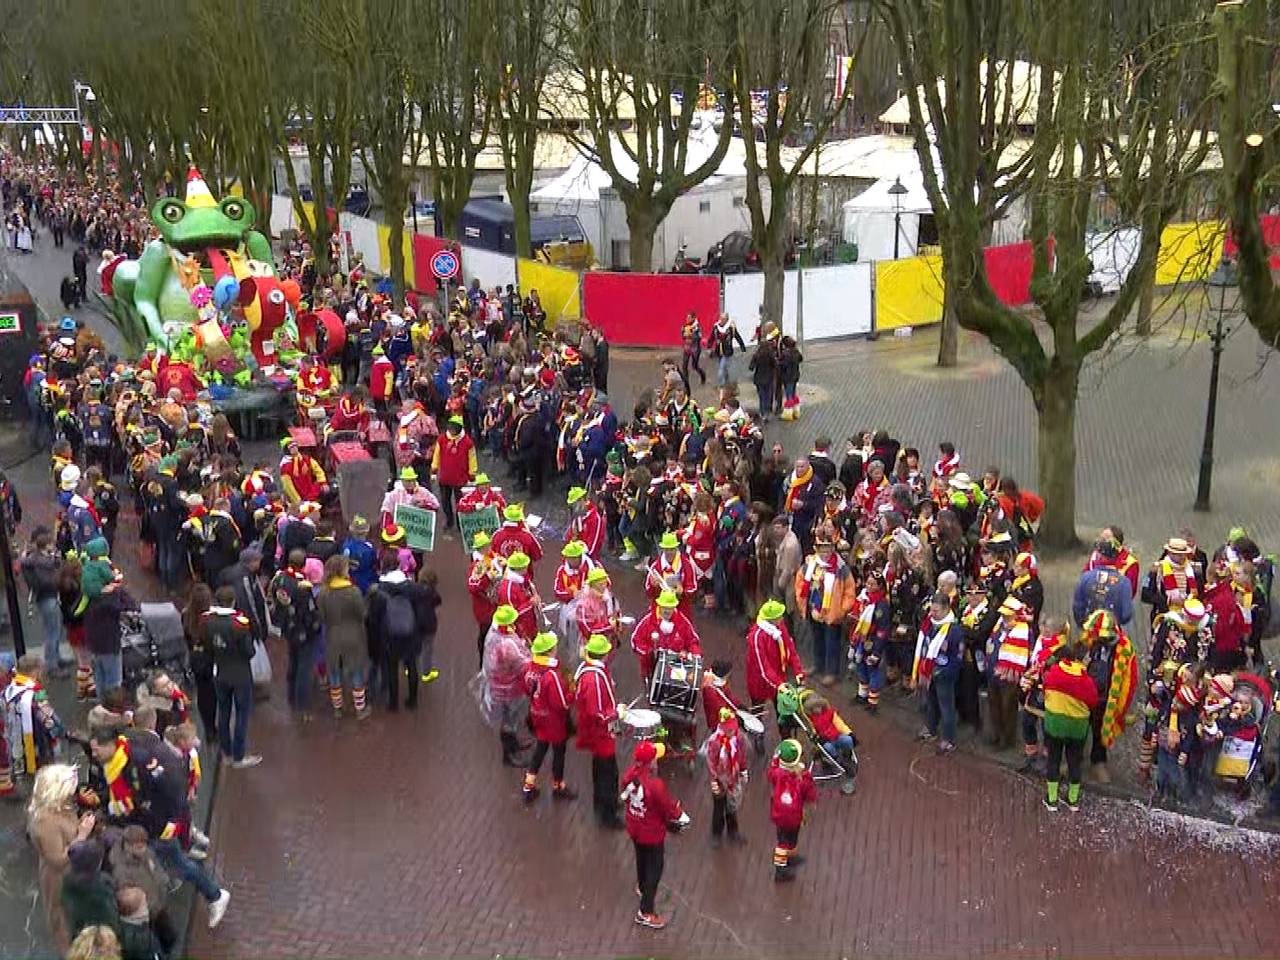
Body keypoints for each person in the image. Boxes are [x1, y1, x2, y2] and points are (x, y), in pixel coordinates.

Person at [28, 764, 94, 955]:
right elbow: (58, 860)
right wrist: (82, 835)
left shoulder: (62, 807)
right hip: (59, 878)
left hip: (76, 872)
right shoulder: (45, 821)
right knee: (61, 920)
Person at [621, 740, 689, 929]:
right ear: (650, 762)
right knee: (655, 868)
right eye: (654, 759)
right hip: (651, 833)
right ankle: (646, 911)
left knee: (641, 859)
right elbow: (668, 807)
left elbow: (624, 797)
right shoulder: (654, 785)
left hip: (634, 826)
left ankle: (642, 887)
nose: (656, 761)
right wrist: (680, 814)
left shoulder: (629, 776)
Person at [1041, 641, 1101, 812]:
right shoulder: (1087, 681)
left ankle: (1052, 799)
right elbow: (1093, 702)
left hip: (1055, 725)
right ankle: (1073, 800)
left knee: (1053, 760)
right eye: (1088, 657)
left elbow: (1046, 688)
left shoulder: (1054, 672)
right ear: (1082, 659)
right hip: (1077, 728)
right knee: (1075, 761)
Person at [205, 586, 260, 767]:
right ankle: (239, 755)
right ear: (233, 601)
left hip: (219, 671)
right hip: (240, 674)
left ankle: (226, 751)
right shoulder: (239, 624)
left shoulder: (208, 621)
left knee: (224, 711)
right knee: (242, 714)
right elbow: (249, 651)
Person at [575, 633, 623, 829]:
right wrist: (616, 714)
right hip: (600, 732)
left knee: (602, 768)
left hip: (597, 731)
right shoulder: (594, 678)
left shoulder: (589, 671)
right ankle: (608, 813)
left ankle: (602, 802)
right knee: (608, 772)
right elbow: (597, 712)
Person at [795, 535, 856, 685]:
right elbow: (800, 582)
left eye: (827, 549)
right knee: (816, 639)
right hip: (814, 609)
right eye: (821, 549)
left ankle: (831, 672)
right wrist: (802, 602)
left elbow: (850, 591)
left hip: (832, 613)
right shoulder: (810, 565)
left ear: (833, 549)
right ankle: (818, 665)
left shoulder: (841, 568)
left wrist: (842, 610)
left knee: (832, 643)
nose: (824, 552)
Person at [522, 631, 575, 803]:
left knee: (540, 750)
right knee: (559, 752)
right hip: (554, 721)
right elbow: (562, 703)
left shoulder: (530, 668)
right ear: (550, 650)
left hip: (537, 716)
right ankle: (558, 785)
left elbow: (526, 689)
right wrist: (572, 693)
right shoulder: (552, 675)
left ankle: (528, 785)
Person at [269, 549, 322, 717]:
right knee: (304, 667)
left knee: (293, 660)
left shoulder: (279, 578)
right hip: (303, 631)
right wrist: (315, 626)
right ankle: (302, 704)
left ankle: (291, 694)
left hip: (287, 627)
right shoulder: (302, 585)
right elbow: (309, 611)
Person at [317, 555, 371, 719]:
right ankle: (360, 708)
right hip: (354, 637)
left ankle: (337, 707)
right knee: (356, 673)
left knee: (334, 674)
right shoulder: (353, 592)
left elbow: (322, 617)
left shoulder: (324, 593)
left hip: (333, 637)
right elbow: (362, 613)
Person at [744, 600, 805, 736]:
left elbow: (789, 647)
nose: (782, 619)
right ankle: (756, 737)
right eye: (779, 617)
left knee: (784, 714)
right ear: (772, 620)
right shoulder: (757, 636)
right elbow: (762, 668)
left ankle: (786, 741)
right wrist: (779, 685)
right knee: (757, 712)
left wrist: (798, 671)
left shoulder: (779, 626)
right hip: (759, 682)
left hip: (778, 677)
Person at [482, 604, 532, 766]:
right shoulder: (505, 645)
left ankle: (513, 745)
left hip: (503, 687)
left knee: (510, 719)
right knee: (508, 720)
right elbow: (521, 664)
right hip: (507, 689)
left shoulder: (496, 635)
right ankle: (508, 755)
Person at [22, 527, 72, 676]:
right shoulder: (40, 563)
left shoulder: (36, 560)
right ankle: (52, 665)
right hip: (47, 597)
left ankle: (56, 657)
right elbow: (47, 581)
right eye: (51, 544)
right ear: (46, 545)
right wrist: (58, 578)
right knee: (53, 632)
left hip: (47, 597)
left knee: (55, 629)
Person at [915, 592, 961, 754]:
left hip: (944, 675)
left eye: (936, 611)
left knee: (946, 707)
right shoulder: (929, 624)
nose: (932, 614)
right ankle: (931, 729)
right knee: (931, 703)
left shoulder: (953, 630)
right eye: (932, 610)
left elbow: (956, 659)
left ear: (947, 609)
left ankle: (949, 739)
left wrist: (943, 672)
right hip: (929, 672)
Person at [767, 739, 817, 882]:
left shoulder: (777, 773)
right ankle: (781, 870)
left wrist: (776, 758)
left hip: (778, 814)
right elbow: (810, 795)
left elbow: (771, 771)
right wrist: (810, 808)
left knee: (783, 839)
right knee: (788, 840)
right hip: (795, 816)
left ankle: (787, 859)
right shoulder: (804, 777)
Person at [703, 707, 749, 847]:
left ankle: (733, 832)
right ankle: (716, 834)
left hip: (733, 777)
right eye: (729, 730)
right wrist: (715, 780)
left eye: (733, 729)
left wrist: (743, 769)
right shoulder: (715, 742)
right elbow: (711, 762)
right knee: (719, 807)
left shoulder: (738, 738)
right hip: (719, 779)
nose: (732, 732)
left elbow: (741, 755)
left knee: (732, 806)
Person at [61, 839, 119, 943]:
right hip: (102, 937)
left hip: (80, 934)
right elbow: (111, 917)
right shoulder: (102, 886)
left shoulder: (67, 880)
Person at [181, 585, 217, 746]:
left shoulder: (185, 616)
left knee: (203, 694)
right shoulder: (211, 619)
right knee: (213, 694)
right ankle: (214, 727)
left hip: (195, 660)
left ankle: (208, 727)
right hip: (211, 660)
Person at [432, 414, 476, 531]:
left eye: (454, 428)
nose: (451, 430)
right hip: (445, 477)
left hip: (460, 478)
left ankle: (460, 522)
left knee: (460, 503)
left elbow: (472, 458)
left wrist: (472, 473)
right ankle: (449, 520)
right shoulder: (442, 439)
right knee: (445, 501)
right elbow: (436, 454)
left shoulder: (467, 442)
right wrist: (434, 468)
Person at [706, 313, 747, 388]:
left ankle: (722, 386)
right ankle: (727, 381)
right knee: (723, 367)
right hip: (718, 351)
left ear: (726, 320)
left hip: (727, 352)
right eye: (720, 318)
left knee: (721, 370)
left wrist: (743, 348)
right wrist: (709, 347)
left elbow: (738, 337)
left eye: (723, 319)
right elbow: (711, 338)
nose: (721, 321)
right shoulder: (716, 327)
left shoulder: (731, 328)